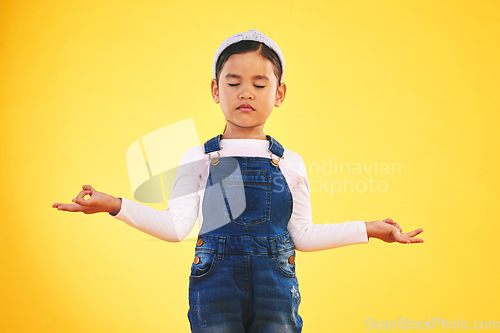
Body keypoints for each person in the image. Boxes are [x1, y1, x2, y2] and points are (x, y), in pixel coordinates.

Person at [52, 29, 424, 332]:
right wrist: (113, 205)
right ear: (216, 90)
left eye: (260, 85)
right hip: (214, 287)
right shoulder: (198, 158)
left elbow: (303, 237)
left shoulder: (289, 163)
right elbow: (175, 227)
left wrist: (369, 229)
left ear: (279, 94)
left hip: (275, 286)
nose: (246, 92)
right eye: (234, 83)